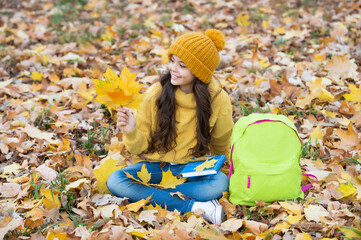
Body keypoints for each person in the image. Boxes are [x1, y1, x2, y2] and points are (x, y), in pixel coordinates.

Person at [107, 29, 234, 225]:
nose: (173, 68)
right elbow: (138, 147)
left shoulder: (217, 98)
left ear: (199, 73)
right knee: (115, 181)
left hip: (192, 168)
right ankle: (194, 208)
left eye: (182, 65)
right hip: (155, 167)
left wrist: (227, 164)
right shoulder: (156, 93)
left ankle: (155, 198)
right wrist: (131, 130)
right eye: (172, 60)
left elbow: (222, 139)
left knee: (219, 183)